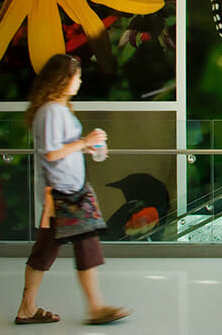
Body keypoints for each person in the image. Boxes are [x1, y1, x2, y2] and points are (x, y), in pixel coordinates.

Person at [14, 54, 131, 326]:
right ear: (63, 79)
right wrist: (84, 142)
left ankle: (27, 308)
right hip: (65, 195)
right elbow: (52, 154)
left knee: (48, 250)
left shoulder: (55, 108)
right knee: (84, 246)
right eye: (77, 76)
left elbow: (60, 149)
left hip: (69, 192)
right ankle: (95, 307)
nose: (80, 81)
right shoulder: (52, 111)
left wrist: (87, 146)